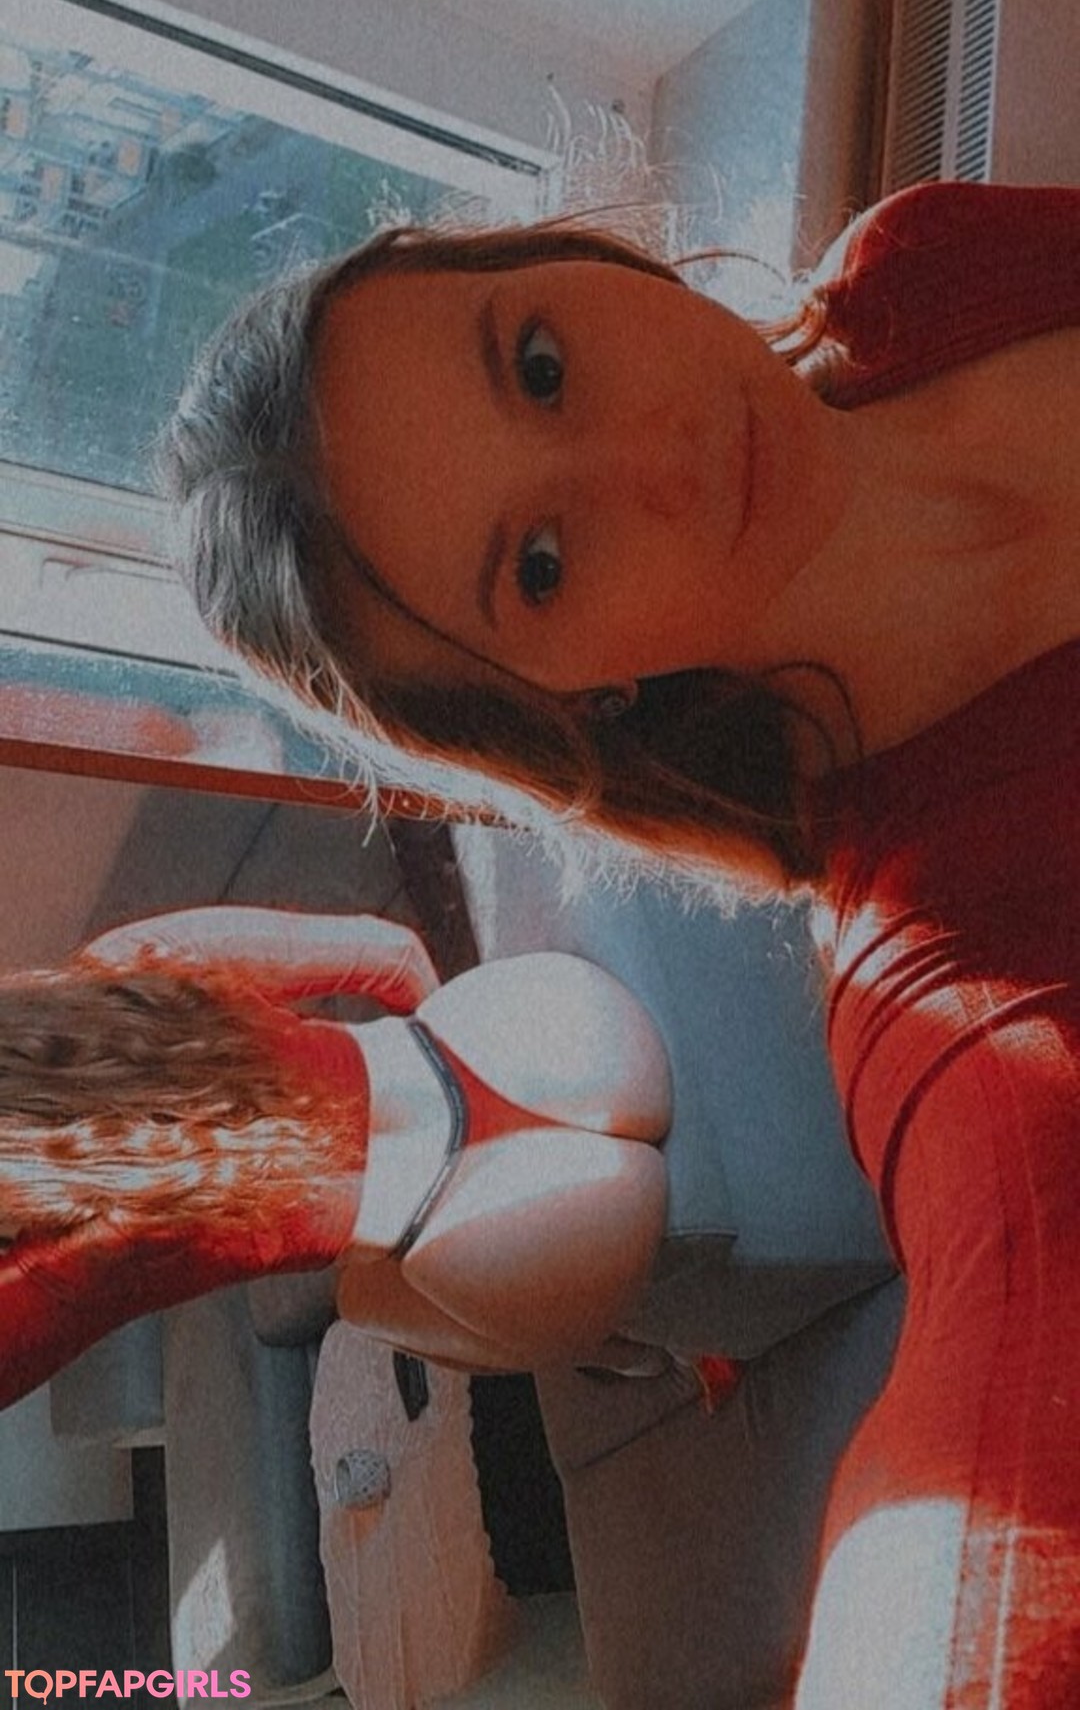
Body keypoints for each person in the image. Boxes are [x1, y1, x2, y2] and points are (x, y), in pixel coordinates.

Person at [164, 177, 1080, 1705]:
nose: (657, 456)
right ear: (570, 699)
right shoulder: (959, 1002)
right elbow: (998, 1492)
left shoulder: (915, 266)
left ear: (555, 258)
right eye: (541, 564)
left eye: (541, 363)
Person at [0, 907, 671, 1409]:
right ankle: (586, 1294)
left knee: (358, 1302)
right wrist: (448, 1063)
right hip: (576, 1031)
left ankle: (634, 1342)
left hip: (533, 1241)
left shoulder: (56, 1272)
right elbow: (395, 954)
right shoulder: (120, 966)